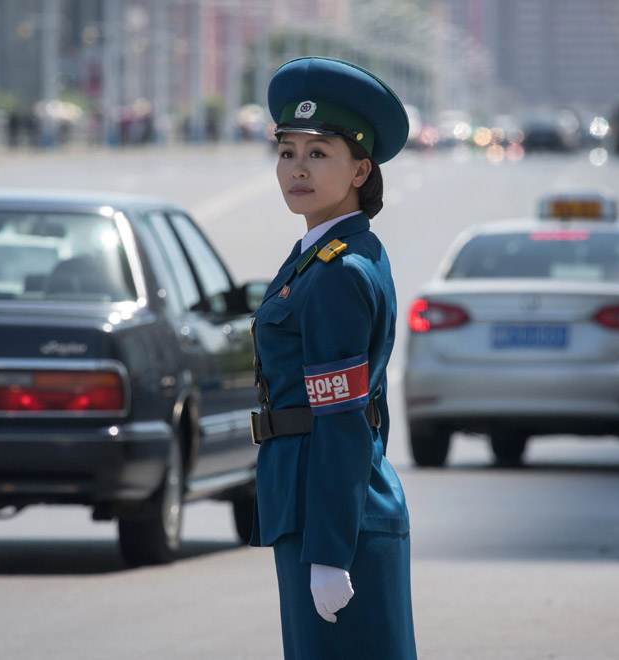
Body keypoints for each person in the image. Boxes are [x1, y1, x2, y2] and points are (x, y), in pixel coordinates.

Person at [248, 56, 416, 660]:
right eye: (287, 152)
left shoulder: (340, 271)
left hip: (331, 519)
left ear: (360, 169)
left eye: (319, 153)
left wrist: (329, 550)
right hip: (319, 506)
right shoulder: (319, 255)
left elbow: (343, 418)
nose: (297, 169)